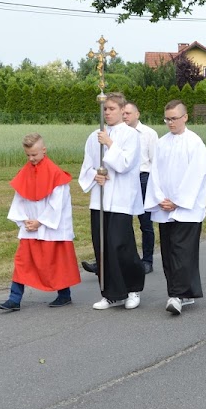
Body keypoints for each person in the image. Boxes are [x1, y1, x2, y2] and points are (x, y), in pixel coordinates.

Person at [0, 133, 80, 312]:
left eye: (34, 154)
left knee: (56, 262)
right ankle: (14, 298)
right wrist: (24, 219)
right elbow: (19, 198)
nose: (31, 159)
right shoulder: (25, 172)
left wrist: (41, 222)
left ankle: (64, 295)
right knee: (23, 262)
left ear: (44, 150)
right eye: (28, 155)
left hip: (51, 228)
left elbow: (57, 204)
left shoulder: (56, 174)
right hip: (30, 226)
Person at [80, 93, 145, 311]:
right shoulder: (94, 136)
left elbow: (125, 164)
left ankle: (133, 288)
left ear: (122, 110)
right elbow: (87, 165)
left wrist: (109, 143)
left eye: (111, 109)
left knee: (120, 244)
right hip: (100, 199)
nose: (107, 112)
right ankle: (111, 293)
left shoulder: (130, 135)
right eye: (105, 109)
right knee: (102, 246)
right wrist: (94, 176)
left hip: (121, 199)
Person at [146, 100, 206, 315]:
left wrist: (178, 201)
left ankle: (177, 295)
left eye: (174, 118)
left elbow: (196, 175)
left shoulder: (195, 143)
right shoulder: (161, 143)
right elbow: (155, 173)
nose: (170, 123)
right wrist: (160, 198)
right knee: (168, 251)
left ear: (185, 117)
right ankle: (183, 291)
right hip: (164, 207)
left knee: (183, 252)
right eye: (167, 119)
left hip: (187, 209)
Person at [122, 102, 159, 274]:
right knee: (122, 222)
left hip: (143, 177)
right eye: (123, 113)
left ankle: (147, 260)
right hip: (124, 178)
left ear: (137, 114)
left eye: (128, 113)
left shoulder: (148, 134)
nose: (125, 116)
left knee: (145, 222)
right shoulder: (119, 133)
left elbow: (155, 161)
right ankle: (124, 259)